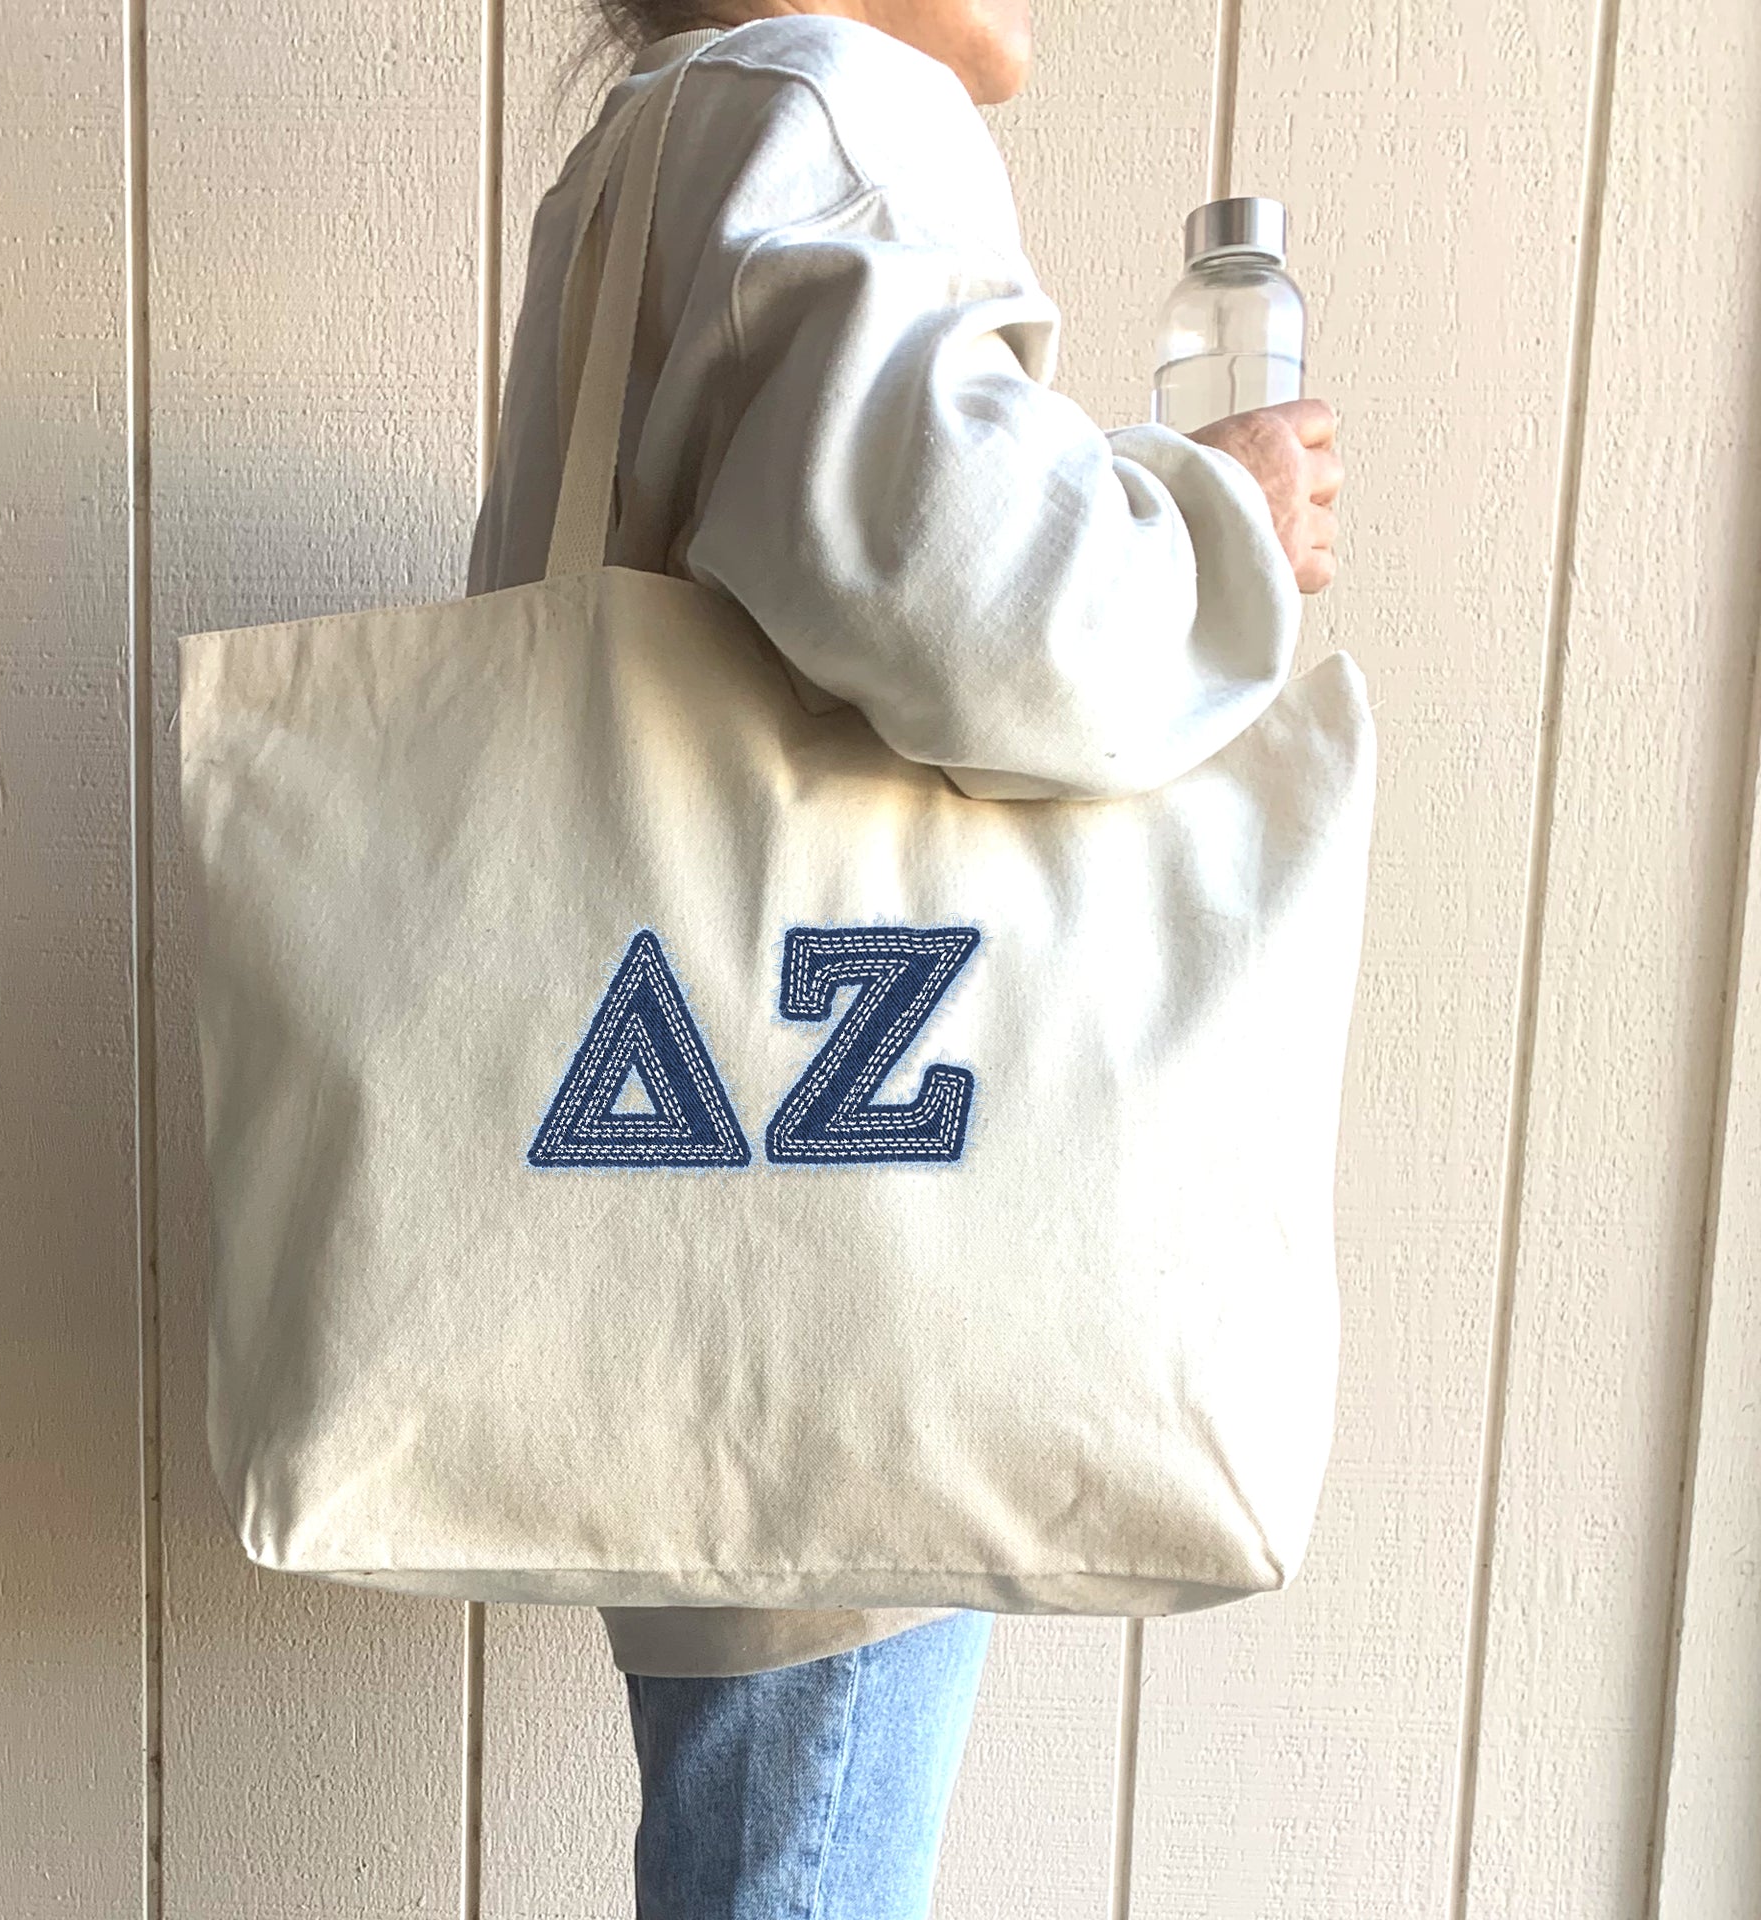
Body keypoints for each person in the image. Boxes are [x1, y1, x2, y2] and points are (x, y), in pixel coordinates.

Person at [467, 4, 1342, 1913]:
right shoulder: (839, 107)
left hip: (696, 1181)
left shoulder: (656, 139)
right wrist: (1226, 526)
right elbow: (982, 613)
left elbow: (839, 542)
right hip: (849, 1224)